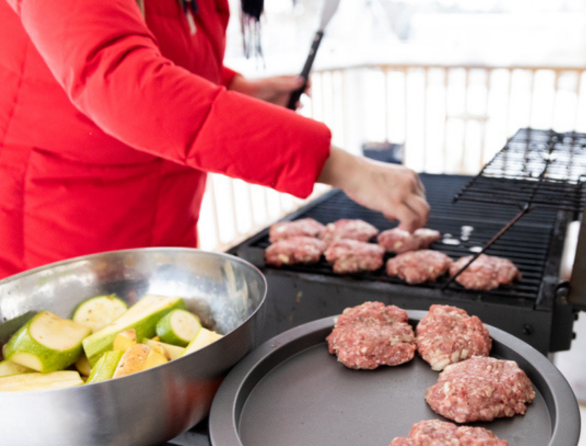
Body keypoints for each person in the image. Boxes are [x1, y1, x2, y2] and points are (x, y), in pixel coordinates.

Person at [0, 0, 429, 280]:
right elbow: (125, 86)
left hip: (163, 239)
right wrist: (344, 168)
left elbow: (155, 54)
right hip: (55, 243)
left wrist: (237, 91)